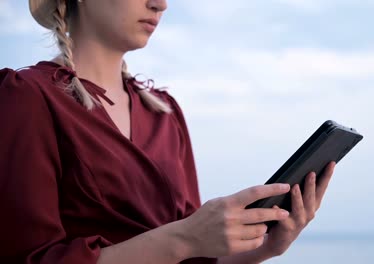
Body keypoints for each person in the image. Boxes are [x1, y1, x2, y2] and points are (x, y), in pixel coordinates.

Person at [0, 0, 336, 263]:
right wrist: (185, 237)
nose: (161, 4)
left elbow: (193, 258)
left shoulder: (165, 112)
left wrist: (264, 248)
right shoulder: (27, 97)